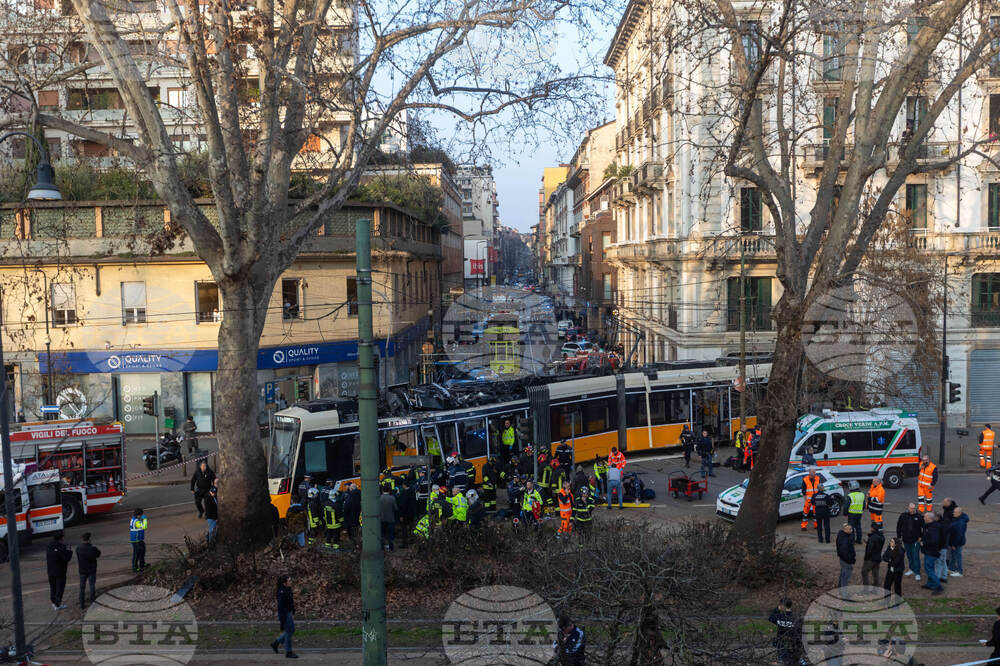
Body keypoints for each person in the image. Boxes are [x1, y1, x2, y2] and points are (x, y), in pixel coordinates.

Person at [270, 575, 298, 659]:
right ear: (284, 583)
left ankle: (276, 643)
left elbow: (290, 601)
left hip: (288, 613)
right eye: (289, 581)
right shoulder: (281, 592)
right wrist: (282, 621)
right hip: (284, 614)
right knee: (289, 632)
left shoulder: (288, 589)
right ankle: (288, 652)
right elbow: (281, 607)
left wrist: (293, 610)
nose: (290, 582)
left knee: (291, 630)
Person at [768, 599, 800, 666]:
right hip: (793, 643)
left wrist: (777, 609)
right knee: (792, 661)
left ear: (783, 606)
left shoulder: (779, 616)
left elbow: (770, 618)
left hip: (781, 643)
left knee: (782, 661)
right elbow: (799, 631)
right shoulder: (796, 618)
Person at [897, 502, 924, 581]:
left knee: (915, 556)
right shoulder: (903, 515)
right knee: (909, 555)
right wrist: (899, 537)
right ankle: (911, 569)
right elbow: (899, 526)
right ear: (908, 508)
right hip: (906, 540)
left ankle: (917, 573)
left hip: (915, 540)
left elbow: (924, 527)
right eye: (911, 508)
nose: (913, 510)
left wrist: (921, 537)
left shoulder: (919, 516)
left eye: (914, 508)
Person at [919, 511, 944, 593]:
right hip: (930, 551)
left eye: (925, 517)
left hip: (931, 551)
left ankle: (938, 586)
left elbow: (934, 540)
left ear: (929, 518)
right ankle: (930, 584)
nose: (923, 518)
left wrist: (924, 543)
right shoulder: (930, 526)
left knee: (928, 569)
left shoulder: (934, 528)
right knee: (930, 568)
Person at [46, 534, 72, 610]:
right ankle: (57, 604)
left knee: (53, 587)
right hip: (60, 571)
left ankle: (53, 602)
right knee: (60, 588)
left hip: (50, 571)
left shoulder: (49, 546)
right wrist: (69, 551)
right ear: (61, 539)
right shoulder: (62, 548)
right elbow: (67, 559)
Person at [76, 532, 101, 609]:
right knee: (92, 586)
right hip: (91, 570)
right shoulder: (92, 548)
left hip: (82, 570)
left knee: (82, 587)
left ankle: (82, 603)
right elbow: (98, 554)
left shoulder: (78, 548)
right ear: (89, 539)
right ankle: (92, 601)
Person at [947, 506, 968, 577]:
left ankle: (960, 572)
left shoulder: (960, 522)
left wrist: (954, 544)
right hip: (954, 542)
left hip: (957, 543)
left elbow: (959, 535)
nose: (953, 513)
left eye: (955, 512)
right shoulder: (957, 519)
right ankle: (952, 568)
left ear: (959, 513)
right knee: (953, 556)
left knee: (958, 557)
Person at [379, 484, 398, 551]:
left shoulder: (379, 498)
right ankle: (391, 548)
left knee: (382, 534)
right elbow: (395, 508)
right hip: (390, 519)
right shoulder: (392, 498)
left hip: (381, 519)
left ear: (382, 490)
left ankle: (382, 547)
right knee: (390, 535)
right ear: (389, 490)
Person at [836, 523, 855, 588]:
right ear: (845, 530)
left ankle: (840, 587)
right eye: (850, 529)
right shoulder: (845, 540)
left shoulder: (841, 534)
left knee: (843, 574)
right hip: (846, 561)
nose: (852, 530)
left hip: (843, 559)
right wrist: (851, 560)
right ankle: (843, 592)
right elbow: (845, 552)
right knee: (846, 577)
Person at [129, 508, 148, 572]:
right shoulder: (136, 521)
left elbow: (140, 521)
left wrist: (142, 519)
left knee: (142, 551)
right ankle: (134, 567)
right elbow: (144, 526)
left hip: (139, 539)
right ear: (138, 515)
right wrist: (145, 519)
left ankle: (142, 564)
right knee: (136, 554)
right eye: (141, 515)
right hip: (136, 540)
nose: (142, 516)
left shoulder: (135, 519)